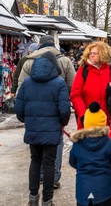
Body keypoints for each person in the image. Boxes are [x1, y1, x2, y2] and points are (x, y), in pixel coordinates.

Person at [18, 35, 75, 190]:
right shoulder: (65, 61)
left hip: (33, 118)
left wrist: (25, 116)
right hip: (55, 118)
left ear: (39, 45)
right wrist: (64, 115)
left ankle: (34, 195)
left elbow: (21, 90)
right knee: (54, 149)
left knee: (35, 158)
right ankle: (53, 180)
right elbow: (72, 85)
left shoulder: (28, 61)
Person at [69, 102, 111, 206]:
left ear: (86, 122)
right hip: (104, 192)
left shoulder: (78, 144)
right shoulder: (110, 144)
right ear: (104, 123)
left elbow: (72, 162)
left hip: (83, 192)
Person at [70, 41, 111, 139]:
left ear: (103, 54)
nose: (91, 56)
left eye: (95, 53)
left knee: (108, 151)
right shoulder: (83, 70)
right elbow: (75, 95)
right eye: (90, 53)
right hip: (89, 120)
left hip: (110, 120)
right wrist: (83, 114)